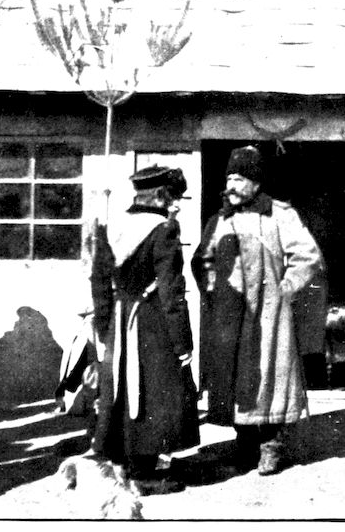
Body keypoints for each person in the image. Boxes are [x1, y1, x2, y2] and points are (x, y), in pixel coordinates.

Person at [192, 145, 323, 476]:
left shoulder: (281, 215)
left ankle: (272, 445)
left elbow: (307, 256)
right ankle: (245, 442)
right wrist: (215, 290)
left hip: (270, 312)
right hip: (232, 314)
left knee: (271, 374)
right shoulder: (219, 220)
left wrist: (286, 288)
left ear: (256, 182)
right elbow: (202, 260)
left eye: (239, 179)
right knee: (240, 377)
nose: (231, 186)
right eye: (229, 179)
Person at [88, 164, 199, 494]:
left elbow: (98, 281)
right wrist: (183, 343)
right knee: (154, 392)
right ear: (161, 196)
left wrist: (105, 326)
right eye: (174, 198)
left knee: (122, 389)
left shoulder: (110, 226)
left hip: (120, 318)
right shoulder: (164, 230)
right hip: (152, 322)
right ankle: (144, 474)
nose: (176, 205)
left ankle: (123, 463)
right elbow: (171, 292)